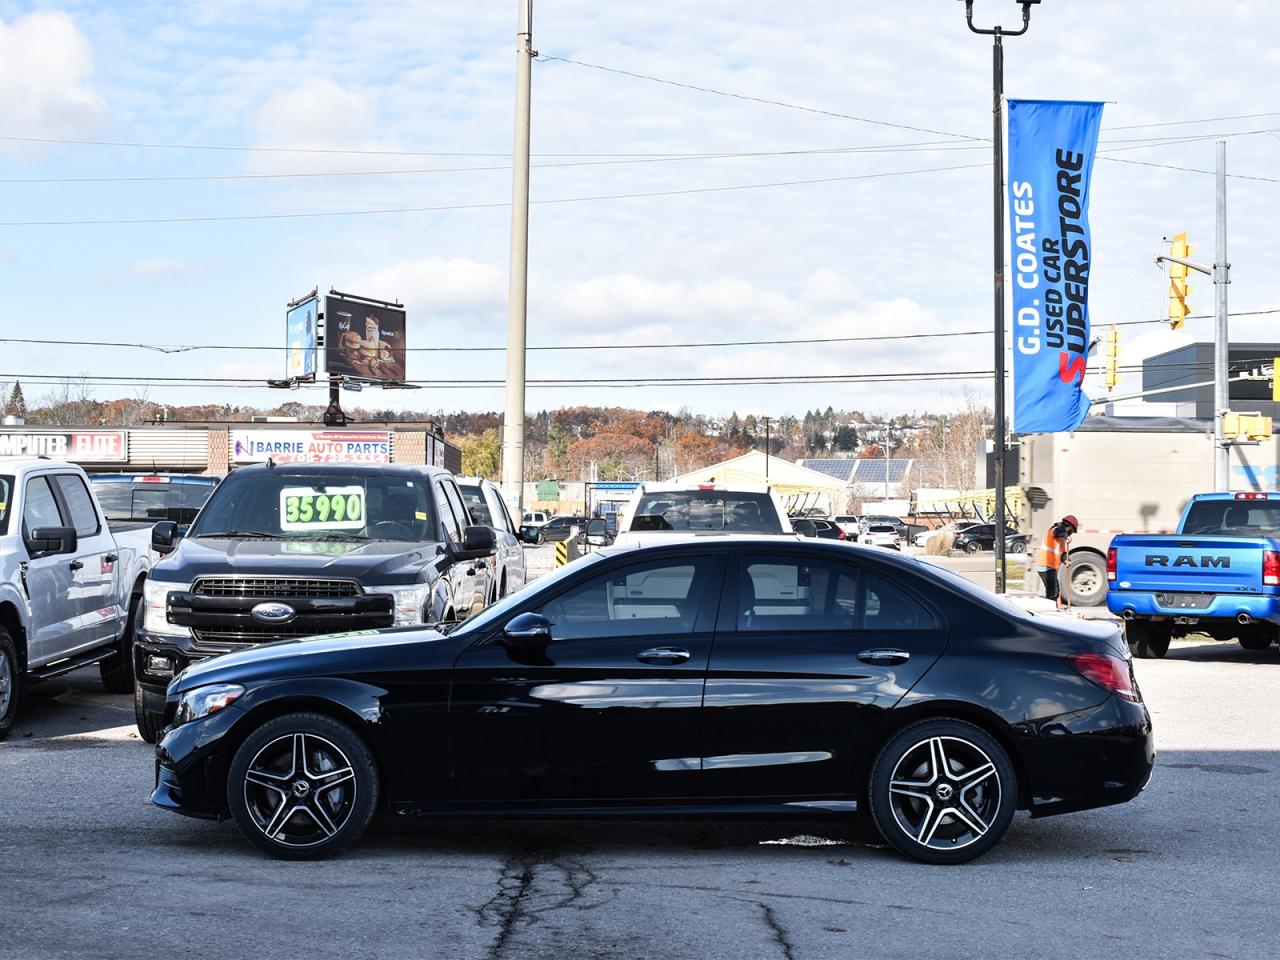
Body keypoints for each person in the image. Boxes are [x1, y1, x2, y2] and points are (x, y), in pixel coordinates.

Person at [1036, 514, 1079, 606]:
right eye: (1072, 530)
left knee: (1055, 591)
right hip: (1046, 565)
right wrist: (1066, 535)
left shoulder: (1062, 539)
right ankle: (1050, 611)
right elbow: (1058, 532)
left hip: (1051, 567)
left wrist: (1066, 560)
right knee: (1052, 593)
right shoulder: (1055, 529)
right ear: (1069, 527)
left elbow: (1063, 553)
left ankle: (1055, 608)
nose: (1071, 533)